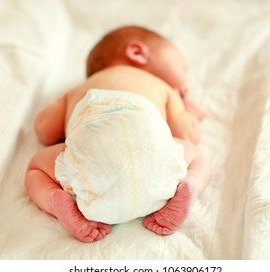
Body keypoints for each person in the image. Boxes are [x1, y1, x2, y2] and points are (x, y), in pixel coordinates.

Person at [25, 26, 211, 242]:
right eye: (182, 68)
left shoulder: (78, 89)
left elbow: (45, 131)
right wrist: (191, 114)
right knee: (197, 157)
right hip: (154, 170)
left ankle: (54, 199)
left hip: (91, 178)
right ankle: (191, 185)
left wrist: (50, 110)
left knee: (36, 168)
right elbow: (188, 135)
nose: (184, 82)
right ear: (137, 52)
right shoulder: (163, 88)